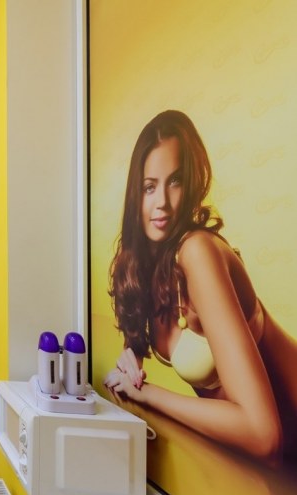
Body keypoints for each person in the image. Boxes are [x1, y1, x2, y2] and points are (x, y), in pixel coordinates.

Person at [104, 109, 297, 467]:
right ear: (136, 195)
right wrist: (131, 357)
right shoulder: (146, 266)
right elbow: (141, 338)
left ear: (191, 183)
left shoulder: (198, 252)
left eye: (175, 182)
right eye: (149, 187)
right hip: (274, 469)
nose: (162, 202)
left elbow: (264, 434)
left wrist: (147, 394)